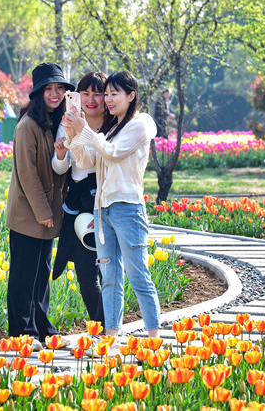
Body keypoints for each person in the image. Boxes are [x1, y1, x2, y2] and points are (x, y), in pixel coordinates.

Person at [64, 70, 160, 341]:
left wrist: (86, 131)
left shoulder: (141, 124)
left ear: (131, 96)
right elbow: (87, 161)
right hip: (102, 209)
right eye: (106, 94)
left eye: (113, 93)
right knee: (109, 277)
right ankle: (110, 338)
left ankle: (154, 339)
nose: (107, 99)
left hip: (128, 209)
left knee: (138, 275)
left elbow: (114, 153)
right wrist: (74, 135)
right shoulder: (111, 128)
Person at [5, 62, 73, 349]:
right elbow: (27, 174)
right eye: (49, 89)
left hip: (47, 213)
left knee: (42, 274)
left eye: (60, 88)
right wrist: (43, 212)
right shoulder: (28, 126)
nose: (55, 93)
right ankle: (22, 332)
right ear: (38, 93)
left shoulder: (55, 123)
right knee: (24, 275)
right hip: (28, 214)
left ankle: (43, 328)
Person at [51, 72, 108, 328]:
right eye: (85, 93)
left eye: (98, 93)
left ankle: (107, 326)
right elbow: (60, 168)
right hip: (77, 204)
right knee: (85, 273)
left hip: (103, 200)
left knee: (108, 272)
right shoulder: (68, 122)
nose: (91, 99)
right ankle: (99, 326)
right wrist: (61, 154)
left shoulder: (112, 124)